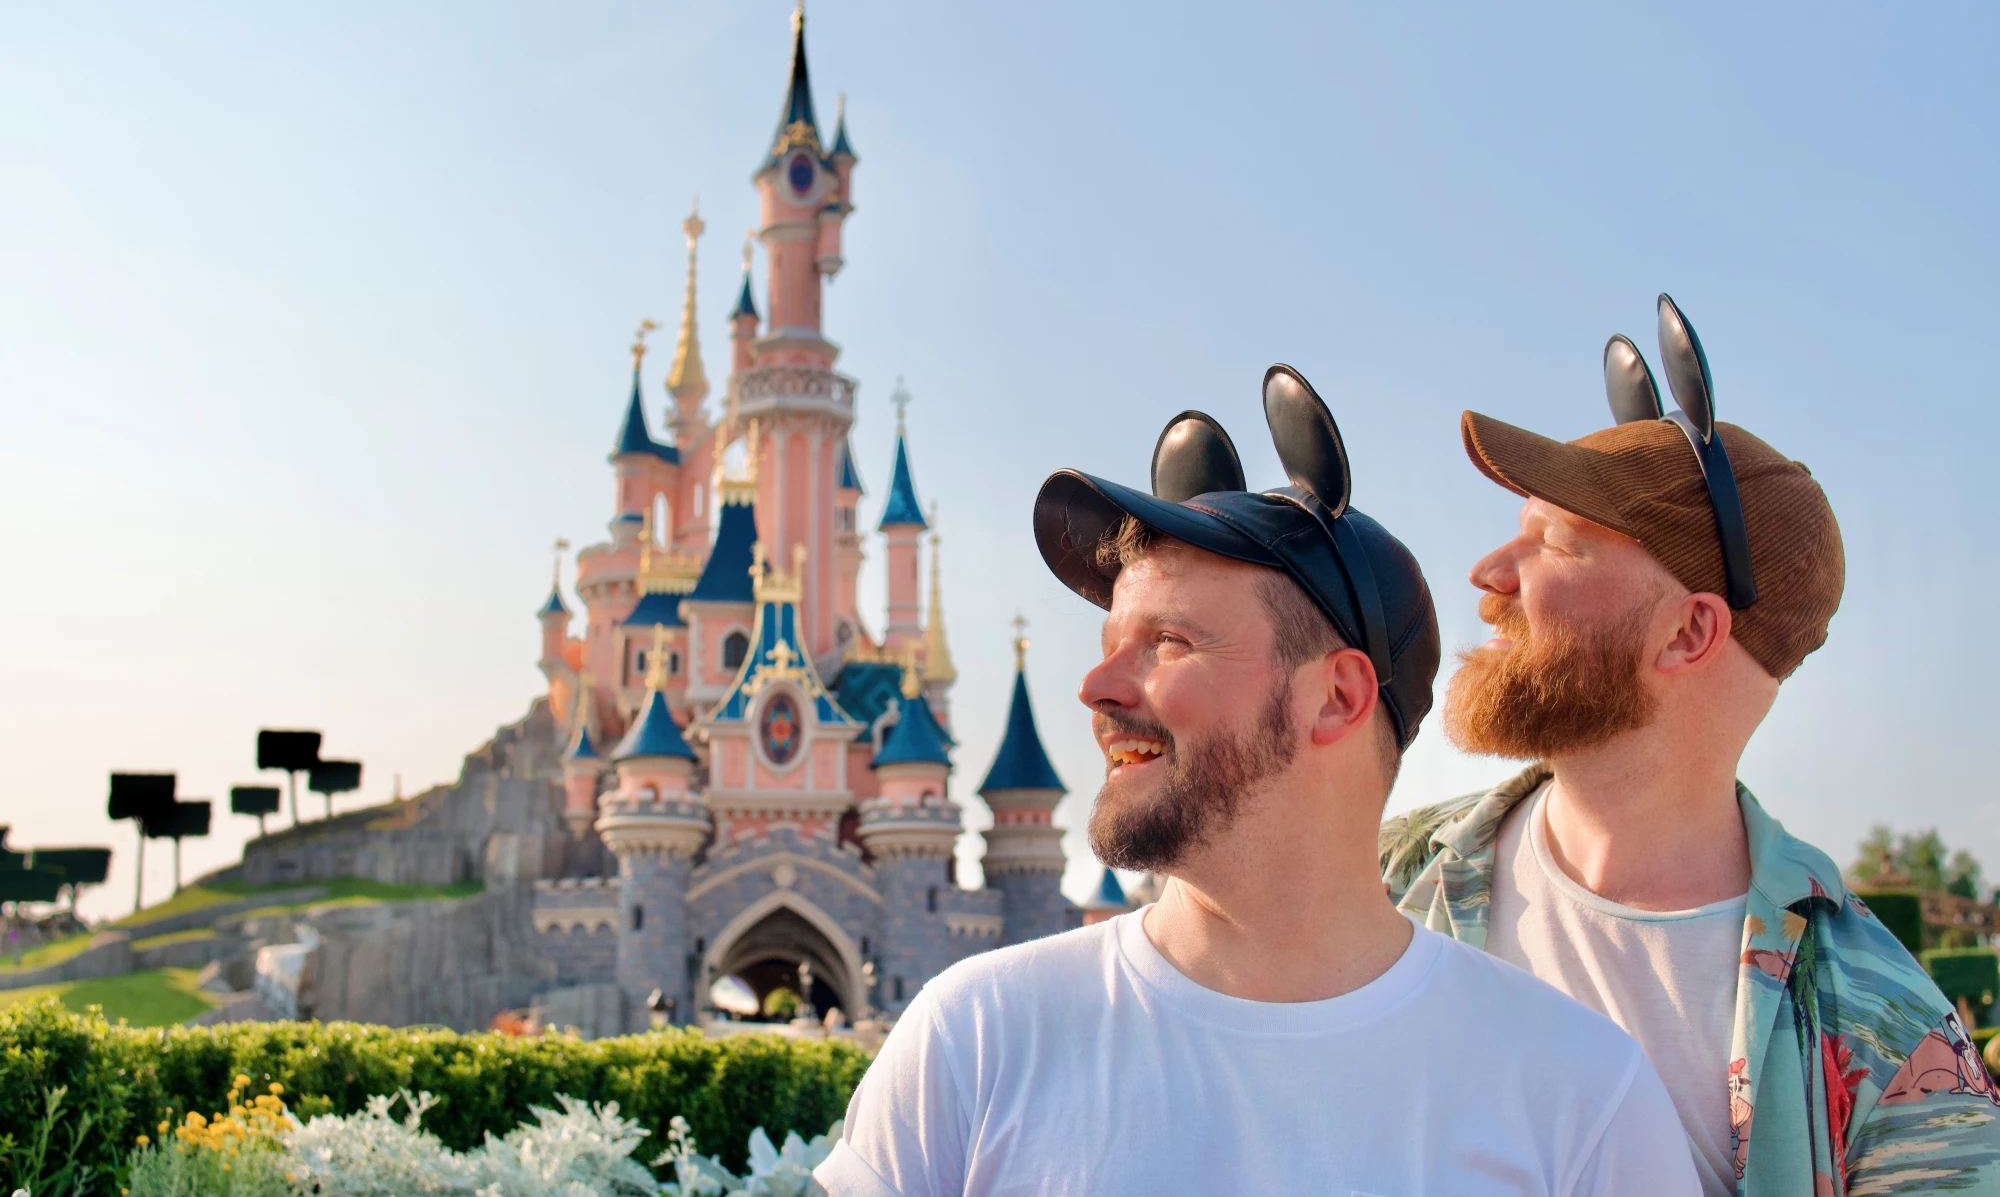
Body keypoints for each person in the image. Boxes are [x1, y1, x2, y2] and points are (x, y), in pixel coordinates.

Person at [818, 366, 1700, 1197]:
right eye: (1108, 647)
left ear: (1337, 696)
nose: (1097, 689)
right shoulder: (971, 1044)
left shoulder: (1581, 1099)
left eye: (1169, 643)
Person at [1383, 297, 2000, 1196]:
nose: (1487, 575)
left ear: (1687, 635)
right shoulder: (1381, 882)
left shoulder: (1891, 1036)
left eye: (1553, 542)